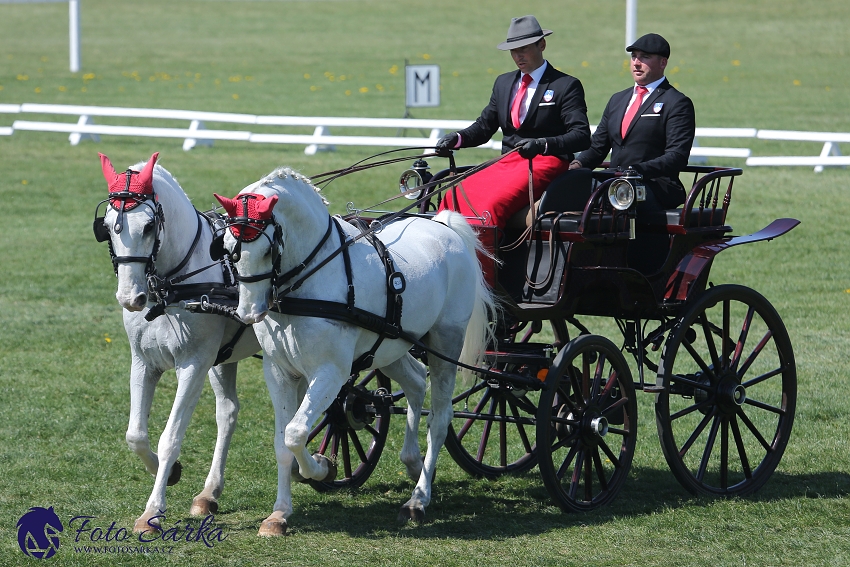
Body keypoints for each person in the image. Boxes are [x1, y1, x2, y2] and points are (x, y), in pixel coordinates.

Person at [435, 15, 591, 229]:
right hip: (507, 162)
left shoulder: (566, 85)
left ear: (542, 45)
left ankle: (487, 262)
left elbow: (581, 136)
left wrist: (542, 144)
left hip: (545, 162)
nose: (518, 56)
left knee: (489, 205)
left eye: (524, 49)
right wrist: (458, 138)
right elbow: (484, 126)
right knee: (453, 197)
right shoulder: (503, 83)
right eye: (513, 51)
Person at [569, 33, 695, 211]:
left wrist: (635, 170)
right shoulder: (617, 99)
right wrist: (577, 164)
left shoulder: (677, 103)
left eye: (645, 57)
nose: (636, 62)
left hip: (654, 186)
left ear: (663, 63)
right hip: (615, 182)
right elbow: (597, 147)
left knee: (611, 197)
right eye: (634, 56)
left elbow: (677, 156)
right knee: (564, 190)